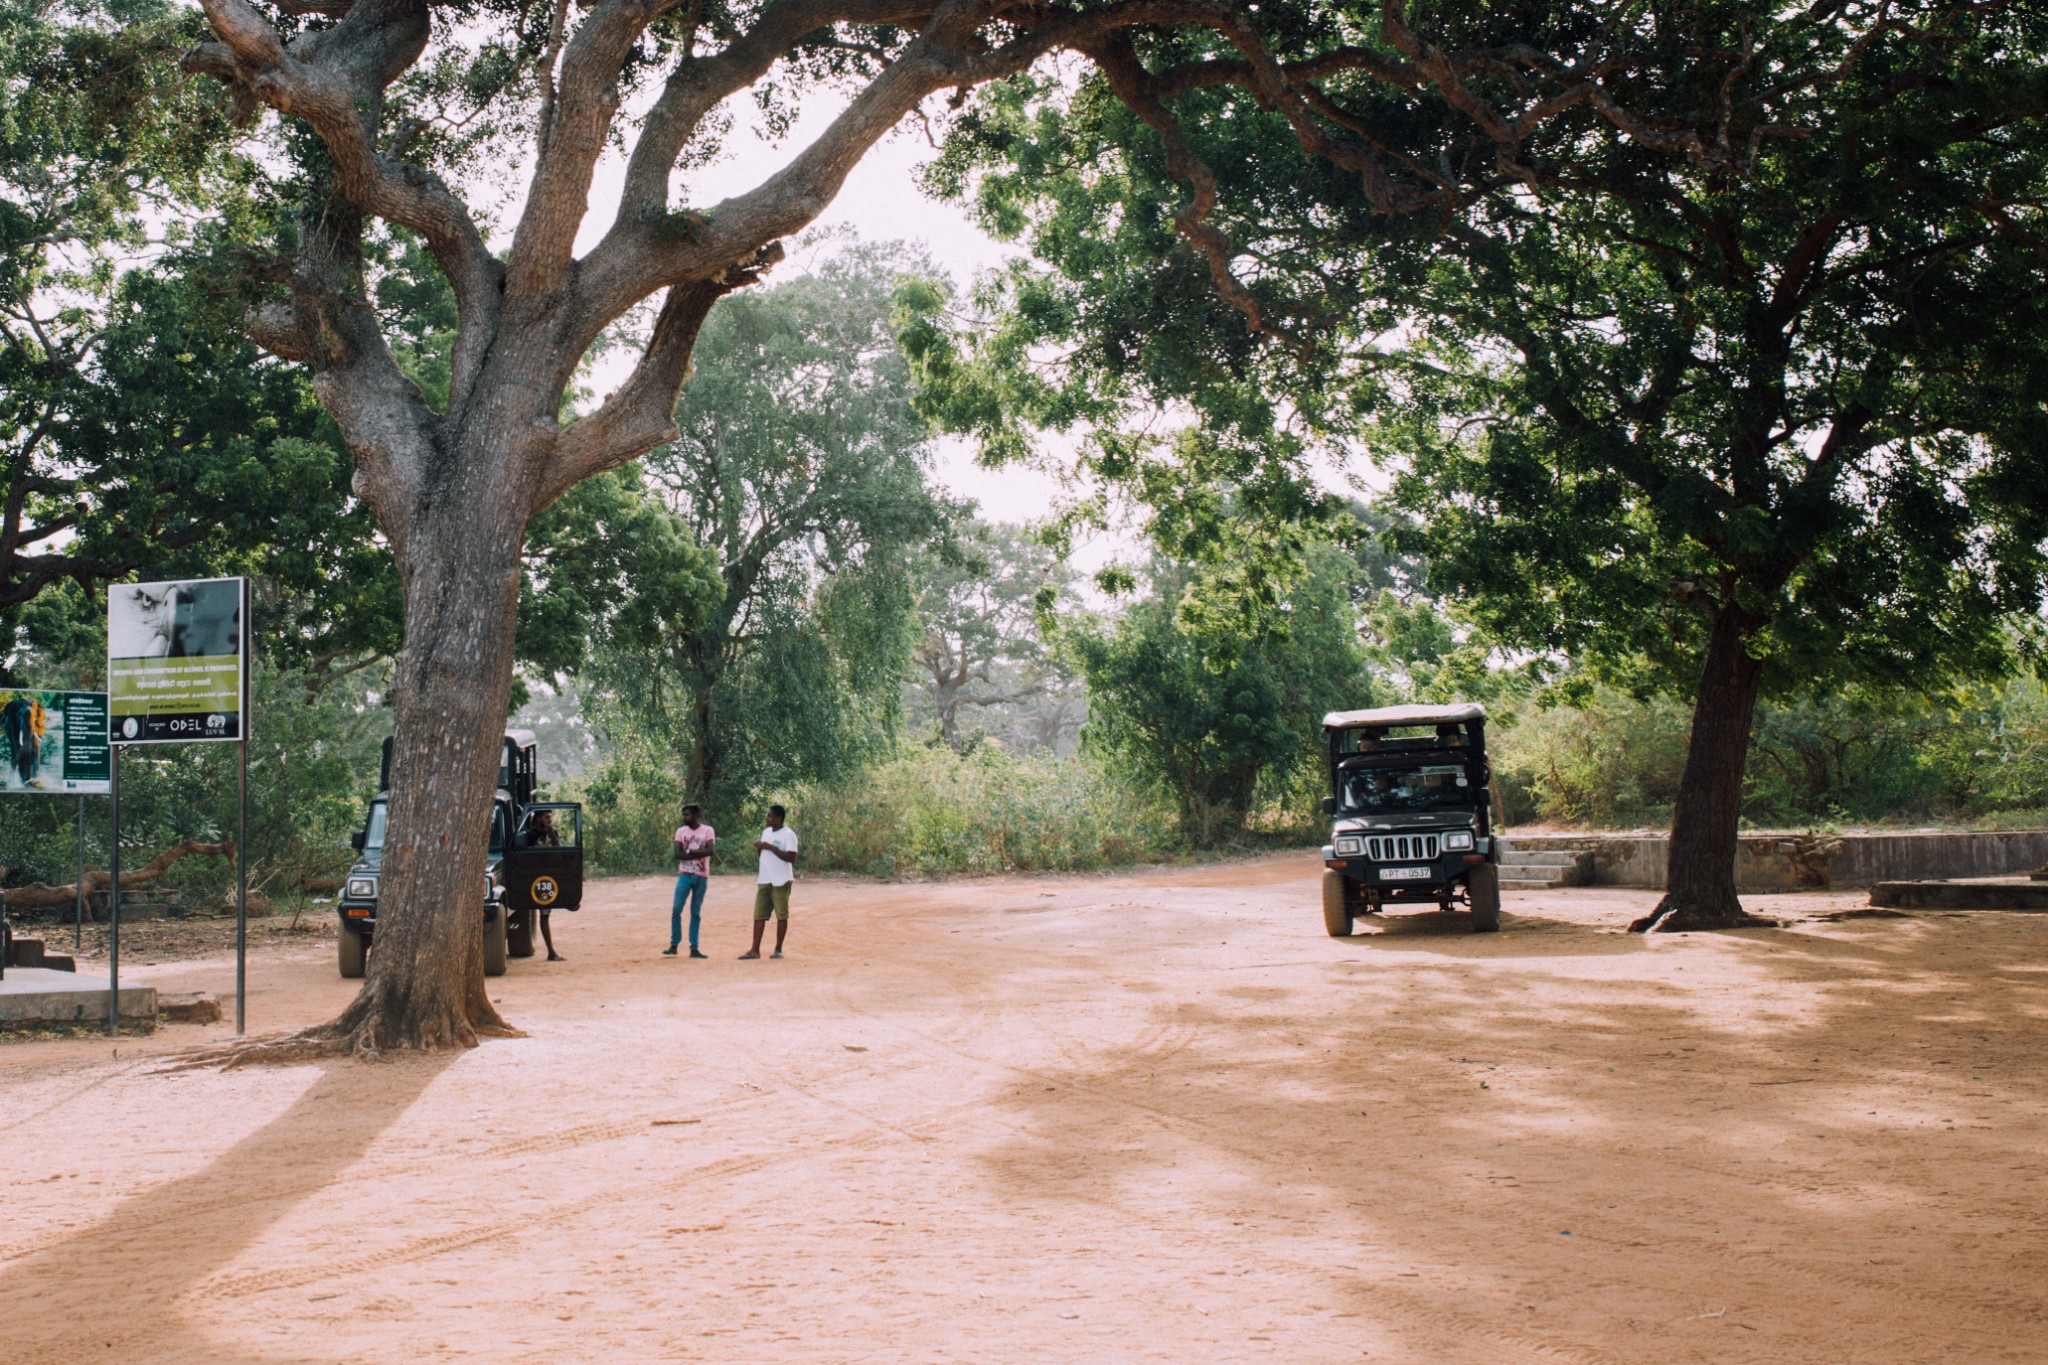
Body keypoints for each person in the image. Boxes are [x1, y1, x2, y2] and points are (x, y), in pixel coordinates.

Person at [740, 804, 797, 960]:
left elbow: (791, 858)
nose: (767, 817)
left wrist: (768, 846)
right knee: (759, 915)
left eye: (770, 815)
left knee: (781, 915)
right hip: (765, 879)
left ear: (778, 818)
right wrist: (760, 848)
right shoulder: (766, 832)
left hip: (781, 880)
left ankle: (778, 949)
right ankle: (755, 950)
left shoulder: (788, 835)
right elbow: (763, 856)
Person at [665, 803, 714, 958]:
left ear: (696, 815)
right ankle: (674, 944)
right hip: (684, 874)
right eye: (684, 815)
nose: (685, 817)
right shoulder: (681, 831)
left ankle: (694, 947)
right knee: (676, 909)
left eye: (688, 815)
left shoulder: (707, 830)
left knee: (695, 912)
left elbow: (710, 850)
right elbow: (677, 854)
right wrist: (699, 853)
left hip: (701, 875)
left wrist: (689, 851)